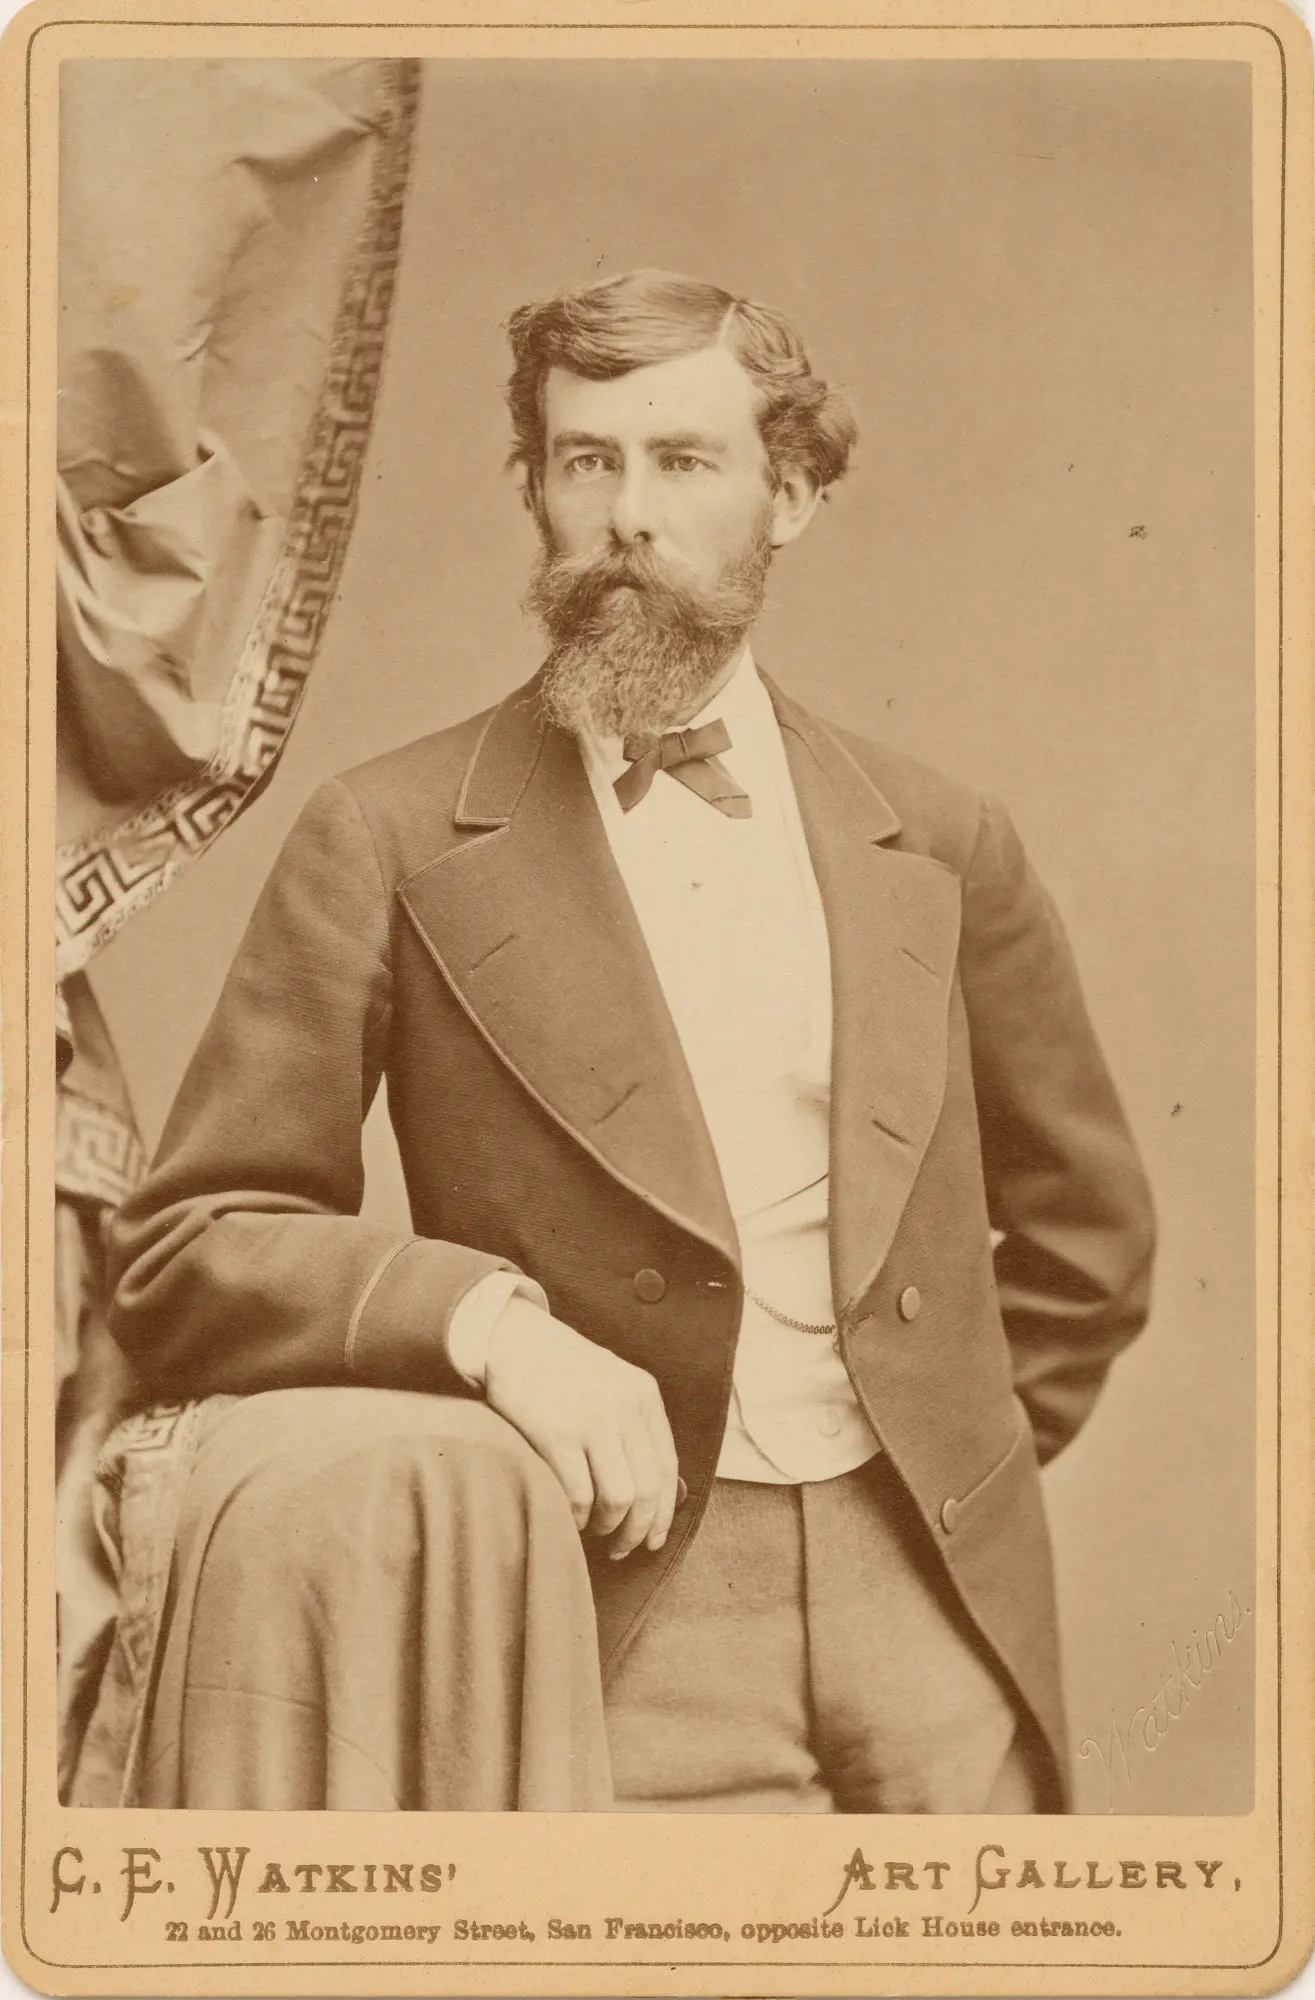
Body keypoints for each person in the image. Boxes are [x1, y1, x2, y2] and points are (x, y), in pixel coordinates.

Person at [105, 268, 1155, 1814]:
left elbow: (1088, 1241)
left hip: (938, 1616)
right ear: (534, 489)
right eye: (585, 460)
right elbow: (192, 1243)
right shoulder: (386, 834)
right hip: (617, 1610)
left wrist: (946, 1459)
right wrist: (496, 1332)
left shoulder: (940, 838)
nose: (629, 517)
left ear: (787, 495)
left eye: (684, 460)